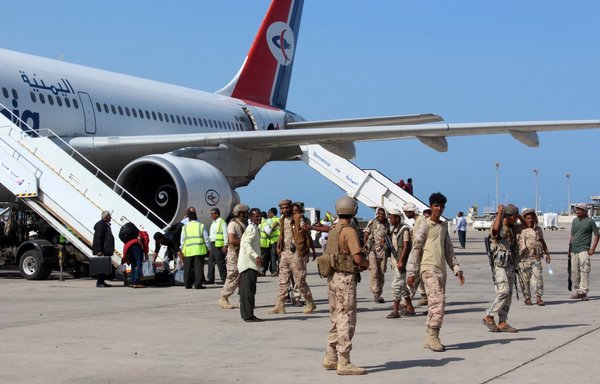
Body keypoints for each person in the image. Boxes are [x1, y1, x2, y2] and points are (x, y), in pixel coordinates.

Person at [407, 192, 465, 352]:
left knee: (435, 303)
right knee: (438, 302)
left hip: (441, 270)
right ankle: (434, 335)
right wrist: (411, 271)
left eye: (441, 206)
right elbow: (416, 249)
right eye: (436, 206)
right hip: (427, 268)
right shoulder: (424, 225)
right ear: (431, 206)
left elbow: (448, 250)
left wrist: (456, 268)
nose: (439, 209)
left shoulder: (443, 226)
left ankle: (429, 336)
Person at [320, 196, 369, 375]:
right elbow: (357, 258)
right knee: (346, 319)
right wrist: (366, 263)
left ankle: (331, 357)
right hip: (345, 279)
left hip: (332, 278)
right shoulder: (349, 231)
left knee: (335, 317)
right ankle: (344, 361)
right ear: (353, 210)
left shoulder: (333, 229)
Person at [267, 199, 316, 315]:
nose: (284, 210)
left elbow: (307, 234)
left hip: (296, 254)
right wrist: (279, 245)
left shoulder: (298, 218)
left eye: (286, 208)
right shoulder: (282, 220)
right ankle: (280, 305)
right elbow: (282, 235)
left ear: (290, 207)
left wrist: (310, 251)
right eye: (282, 208)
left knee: (299, 280)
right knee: (283, 280)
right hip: (284, 253)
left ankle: (310, 302)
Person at [482, 204, 523, 333]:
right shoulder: (499, 227)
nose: (516, 219)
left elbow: (527, 225)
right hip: (499, 265)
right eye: (514, 217)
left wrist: (517, 214)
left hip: (510, 264)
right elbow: (495, 231)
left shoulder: (512, 228)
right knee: (503, 292)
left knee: (509, 295)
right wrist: (500, 212)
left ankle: (503, 322)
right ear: (507, 216)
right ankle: (489, 316)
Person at [517, 208, 551, 306]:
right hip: (523, 259)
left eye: (532, 218)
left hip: (536, 258)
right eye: (527, 218)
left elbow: (542, 242)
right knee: (524, 280)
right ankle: (527, 298)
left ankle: (538, 297)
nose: (530, 220)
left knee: (538, 278)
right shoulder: (520, 229)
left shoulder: (538, 229)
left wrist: (547, 254)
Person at [218, 204, 249, 309]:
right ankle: (224, 297)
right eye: (245, 212)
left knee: (242, 277)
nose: (247, 214)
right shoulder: (233, 224)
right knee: (232, 276)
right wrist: (245, 243)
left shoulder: (244, 224)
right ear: (240, 213)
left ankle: (243, 300)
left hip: (242, 254)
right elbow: (232, 240)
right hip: (234, 254)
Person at [386, 208, 415, 318]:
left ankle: (395, 310)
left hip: (400, 262)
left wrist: (401, 261)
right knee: (402, 286)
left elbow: (406, 246)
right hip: (395, 261)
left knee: (396, 286)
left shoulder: (404, 230)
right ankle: (410, 308)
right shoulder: (394, 230)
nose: (390, 220)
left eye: (391, 218)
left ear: (397, 218)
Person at [238, 208, 264, 322]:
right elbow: (246, 244)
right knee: (248, 291)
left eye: (259, 216)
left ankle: (248, 314)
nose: (258, 218)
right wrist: (256, 256)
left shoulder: (253, 228)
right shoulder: (251, 228)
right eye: (256, 216)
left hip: (250, 265)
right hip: (248, 265)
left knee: (249, 290)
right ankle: (248, 315)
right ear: (250, 217)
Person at [569, 203, 599, 301]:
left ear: (584, 211)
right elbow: (572, 236)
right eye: (576, 210)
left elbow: (597, 235)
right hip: (574, 251)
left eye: (579, 210)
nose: (577, 212)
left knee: (584, 271)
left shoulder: (590, 221)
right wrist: (569, 249)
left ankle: (584, 292)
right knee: (574, 273)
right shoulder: (574, 221)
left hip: (584, 251)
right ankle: (578, 291)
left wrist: (593, 248)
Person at [363, 207, 390, 303]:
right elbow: (366, 234)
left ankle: (379, 292)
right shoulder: (372, 222)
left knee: (381, 273)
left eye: (382, 214)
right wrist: (366, 246)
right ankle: (376, 294)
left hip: (383, 251)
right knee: (374, 272)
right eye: (379, 214)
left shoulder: (387, 224)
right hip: (373, 251)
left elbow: (390, 236)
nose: (381, 216)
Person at [180, 210, 210, 289]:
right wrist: (209, 248)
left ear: (188, 219)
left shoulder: (185, 227)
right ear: (196, 217)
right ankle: (198, 284)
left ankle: (187, 284)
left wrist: (182, 250)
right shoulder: (201, 226)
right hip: (199, 250)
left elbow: (182, 240)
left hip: (188, 250)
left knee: (187, 268)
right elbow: (206, 238)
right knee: (198, 268)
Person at [92, 210, 114, 288]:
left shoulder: (105, 224)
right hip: (102, 250)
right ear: (105, 217)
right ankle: (99, 282)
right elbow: (98, 238)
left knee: (104, 266)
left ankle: (102, 281)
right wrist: (99, 250)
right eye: (109, 216)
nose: (110, 217)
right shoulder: (101, 225)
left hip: (105, 249)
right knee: (101, 266)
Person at [207, 208, 228, 285]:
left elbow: (225, 234)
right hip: (213, 244)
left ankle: (224, 278)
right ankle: (210, 278)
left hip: (219, 245)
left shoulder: (222, 222)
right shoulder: (213, 222)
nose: (211, 215)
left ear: (217, 214)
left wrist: (226, 244)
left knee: (220, 262)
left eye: (212, 213)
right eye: (211, 214)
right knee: (211, 261)